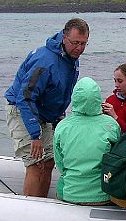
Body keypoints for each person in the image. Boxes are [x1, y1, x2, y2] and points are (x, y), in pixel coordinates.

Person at [5, 18, 89, 197]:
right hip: (23, 109)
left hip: (47, 114)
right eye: (75, 43)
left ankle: (43, 203)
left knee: (49, 161)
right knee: (36, 163)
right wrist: (35, 135)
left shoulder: (71, 58)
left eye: (83, 44)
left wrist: (59, 119)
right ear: (64, 38)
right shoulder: (44, 61)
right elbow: (25, 97)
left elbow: (61, 92)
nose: (79, 48)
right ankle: (29, 208)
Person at [52, 77, 121, 205]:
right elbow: (116, 160)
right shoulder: (111, 125)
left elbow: (60, 164)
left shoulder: (62, 126)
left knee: (61, 185)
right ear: (98, 99)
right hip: (103, 194)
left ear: (75, 98)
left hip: (70, 193)